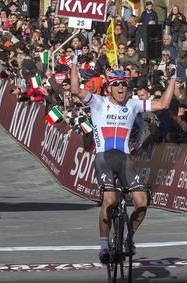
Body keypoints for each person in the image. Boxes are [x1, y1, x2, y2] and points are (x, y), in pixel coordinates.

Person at [71, 55, 177, 263]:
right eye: (116, 84)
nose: (121, 88)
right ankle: (103, 246)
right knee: (109, 200)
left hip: (125, 160)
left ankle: (128, 239)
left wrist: (173, 79)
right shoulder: (98, 102)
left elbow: (164, 103)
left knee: (142, 202)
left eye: (124, 84)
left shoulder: (134, 104)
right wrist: (74, 64)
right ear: (109, 87)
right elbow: (75, 90)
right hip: (104, 158)